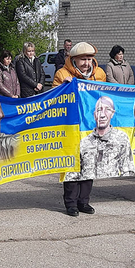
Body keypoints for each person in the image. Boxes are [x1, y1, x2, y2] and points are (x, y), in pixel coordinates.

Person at [53, 42, 107, 216]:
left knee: (89, 165)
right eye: (83, 59)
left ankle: (84, 201)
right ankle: (71, 203)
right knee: (72, 166)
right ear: (74, 59)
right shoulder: (62, 74)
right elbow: (53, 99)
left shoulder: (100, 74)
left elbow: (106, 97)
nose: (87, 63)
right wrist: (63, 88)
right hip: (72, 127)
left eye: (89, 59)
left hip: (91, 127)